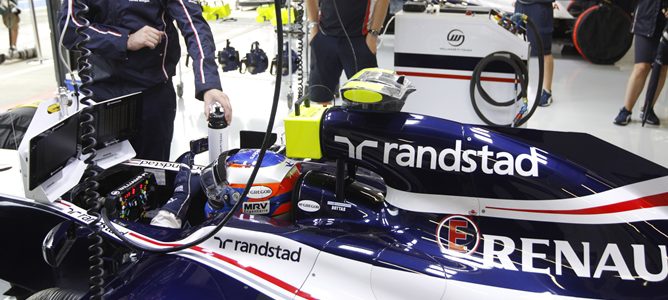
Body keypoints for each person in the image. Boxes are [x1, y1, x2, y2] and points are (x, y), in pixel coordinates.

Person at [59, 0, 232, 161]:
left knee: (153, 176)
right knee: (107, 178)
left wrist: (209, 83)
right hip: (103, 96)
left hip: (152, 95)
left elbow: (193, 25)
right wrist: (125, 40)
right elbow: (70, 28)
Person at [306, 0, 390, 102]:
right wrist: (314, 26)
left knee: (365, 100)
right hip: (325, 36)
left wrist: (373, 34)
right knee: (320, 99)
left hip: (359, 39)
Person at [614, 0, 668, 126]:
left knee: (662, 68)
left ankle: (648, 109)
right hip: (646, 16)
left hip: (665, 22)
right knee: (642, 66)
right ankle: (626, 109)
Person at [514, 0, 555, 107]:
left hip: (539, 6)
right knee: (513, 43)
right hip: (521, 4)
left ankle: (547, 91)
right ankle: (514, 86)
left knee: (544, 50)